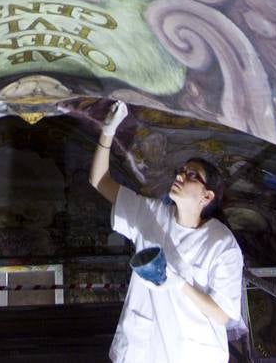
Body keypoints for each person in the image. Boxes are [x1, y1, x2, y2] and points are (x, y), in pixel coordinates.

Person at [88, 99, 245, 362]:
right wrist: (108, 131)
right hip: (144, 348)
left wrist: (179, 284)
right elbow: (100, 181)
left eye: (191, 175)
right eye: (181, 171)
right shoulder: (151, 214)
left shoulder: (221, 243)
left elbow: (223, 314)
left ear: (206, 197)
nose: (180, 176)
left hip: (193, 352)